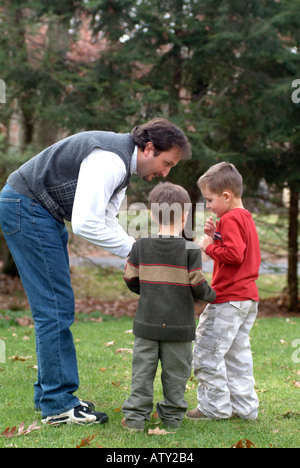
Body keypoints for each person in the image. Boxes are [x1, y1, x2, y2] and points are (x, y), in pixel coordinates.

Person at [0, 119, 191, 425]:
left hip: (38, 211)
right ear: (149, 148)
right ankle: (58, 405)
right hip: (28, 207)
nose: (164, 173)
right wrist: (141, 254)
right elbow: (87, 223)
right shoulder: (110, 160)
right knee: (55, 308)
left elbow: (106, 221)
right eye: (165, 163)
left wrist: (135, 255)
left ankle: (49, 395)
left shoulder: (122, 167)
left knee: (55, 306)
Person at [122, 182, 216, 431]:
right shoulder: (190, 249)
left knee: (142, 373)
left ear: (152, 213)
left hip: (146, 324)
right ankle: (172, 419)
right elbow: (198, 285)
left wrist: (150, 291)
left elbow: (130, 279)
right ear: (185, 215)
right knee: (176, 375)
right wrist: (212, 294)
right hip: (179, 326)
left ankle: (134, 419)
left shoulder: (140, 246)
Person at [186, 162, 261, 421]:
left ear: (226, 196)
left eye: (210, 200)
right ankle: (245, 408)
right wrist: (216, 235)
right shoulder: (244, 217)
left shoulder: (229, 218)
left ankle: (214, 408)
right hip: (247, 298)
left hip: (228, 298)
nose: (208, 205)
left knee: (207, 352)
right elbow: (238, 248)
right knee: (236, 355)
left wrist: (208, 245)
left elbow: (234, 255)